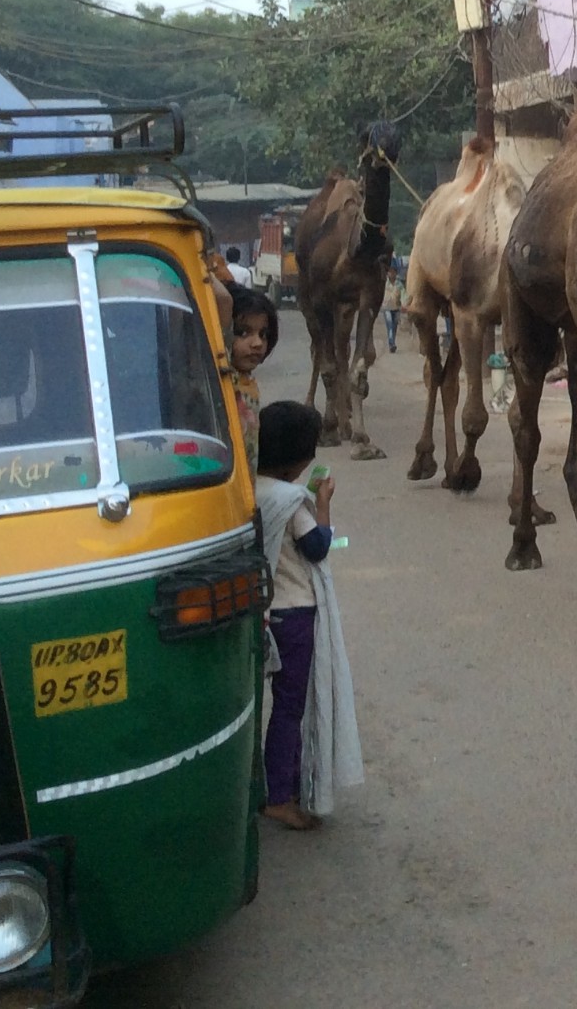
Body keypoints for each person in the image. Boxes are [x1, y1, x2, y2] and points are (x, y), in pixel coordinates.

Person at [255, 402, 364, 831]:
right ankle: (280, 795)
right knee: (290, 707)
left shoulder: (251, 491)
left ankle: (271, 785)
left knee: (270, 704)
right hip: (296, 614)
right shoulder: (289, 499)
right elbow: (317, 546)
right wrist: (323, 503)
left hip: (264, 613)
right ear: (300, 458)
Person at [228, 287, 278, 471]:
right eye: (242, 333)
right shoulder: (223, 376)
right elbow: (222, 300)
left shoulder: (247, 381)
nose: (257, 343)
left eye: (263, 335)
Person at [382, 263, 406, 354]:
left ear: (396, 273)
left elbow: (403, 295)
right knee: (390, 325)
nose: (391, 274)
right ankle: (391, 344)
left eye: (393, 271)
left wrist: (404, 304)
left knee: (394, 326)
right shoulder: (384, 283)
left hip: (396, 308)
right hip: (386, 307)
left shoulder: (399, 284)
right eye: (390, 271)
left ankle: (392, 342)